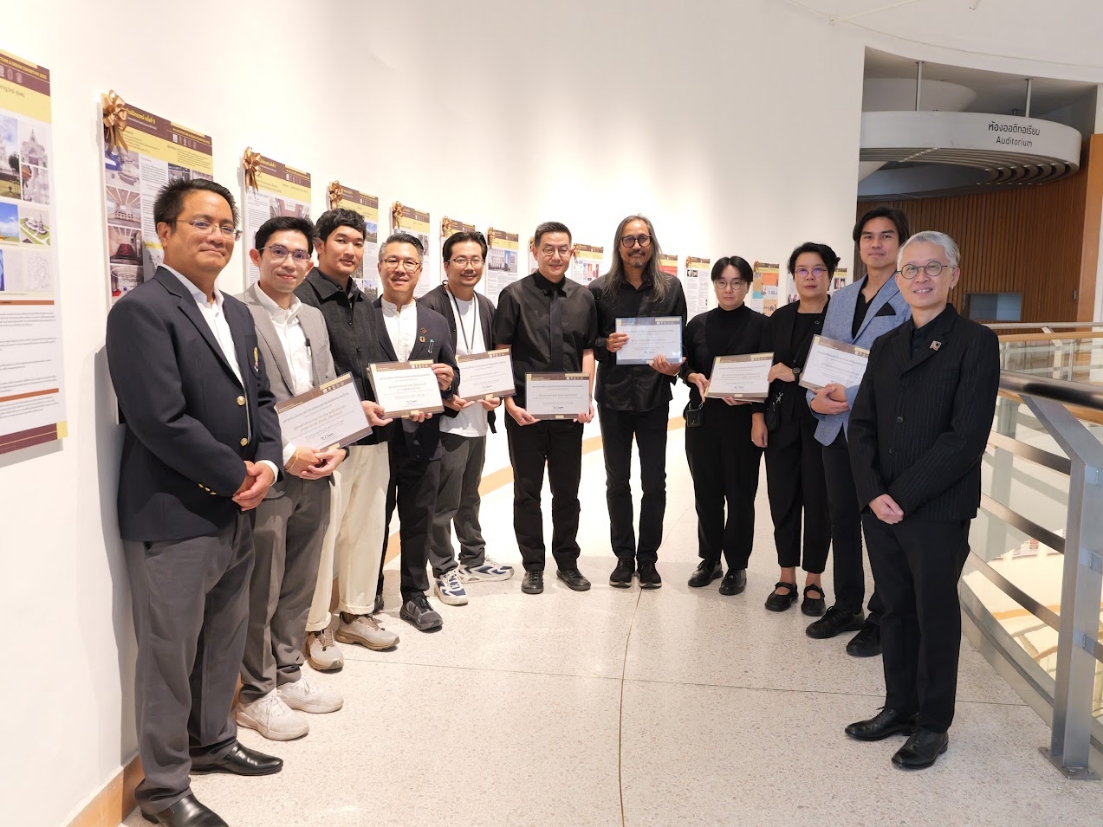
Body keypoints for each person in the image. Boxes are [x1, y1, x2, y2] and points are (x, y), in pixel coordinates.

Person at [106, 179, 283, 827]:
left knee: (224, 636)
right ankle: (162, 787)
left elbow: (259, 399)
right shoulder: (141, 311)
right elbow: (158, 418)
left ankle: (213, 740)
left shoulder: (235, 312)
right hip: (174, 510)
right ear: (165, 232)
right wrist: (237, 474)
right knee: (168, 653)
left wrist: (268, 463)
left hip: (238, 503)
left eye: (227, 226)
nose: (217, 235)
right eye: (201, 223)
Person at [845, 231, 999, 769]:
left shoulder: (976, 342)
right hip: (882, 508)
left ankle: (933, 723)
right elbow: (861, 425)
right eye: (910, 269)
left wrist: (900, 496)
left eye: (933, 267)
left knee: (933, 614)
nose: (921, 278)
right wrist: (872, 492)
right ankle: (899, 707)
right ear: (900, 279)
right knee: (894, 609)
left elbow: (965, 438)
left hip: (936, 508)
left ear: (954, 275)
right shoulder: (886, 344)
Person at [234, 216, 344, 741]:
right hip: (272, 471)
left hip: (319, 469)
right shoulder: (236, 313)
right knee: (264, 587)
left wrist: (339, 444)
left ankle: (288, 673)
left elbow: (327, 386)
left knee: (300, 581)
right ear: (256, 256)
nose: (290, 263)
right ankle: (255, 694)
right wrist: (288, 453)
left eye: (300, 255)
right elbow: (244, 403)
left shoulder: (313, 318)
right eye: (279, 252)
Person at [805, 207, 911, 657]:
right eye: (868, 236)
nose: (876, 244)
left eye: (886, 236)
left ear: (901, 243)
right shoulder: (843, 297)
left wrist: (850, 394)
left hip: (880, 430)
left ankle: (883, 615)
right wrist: (813, 398)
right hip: (834, 427)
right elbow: (824, 356)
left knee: (880, 525)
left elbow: (902, 366)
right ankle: (847, 605)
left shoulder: (909, 295)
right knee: (842, 519)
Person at [297, 209, 398, 668]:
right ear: (319, 245)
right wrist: (352, 409)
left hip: (374, 435)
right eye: (341, 240)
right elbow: (305, 379)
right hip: (328, 442)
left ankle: (355, 613)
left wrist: (408, 394)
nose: (351, 250)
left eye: (358, 242)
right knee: (324, 537)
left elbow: (377, 365)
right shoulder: (302, 299)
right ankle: (315, 625)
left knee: (367, 528)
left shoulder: (366, 300)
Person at [491, 221, 598, 595]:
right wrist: (508, 403)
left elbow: (588, 351)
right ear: (534, 250)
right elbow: (502, 351)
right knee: (527, 492)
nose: (556, 256)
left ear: (572, 252)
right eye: (548, 249)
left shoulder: (584, 298)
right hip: (526, 413)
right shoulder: (514, 295)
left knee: (567, 493)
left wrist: (586, 397)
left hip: (569, 415)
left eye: (563, 249)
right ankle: (533, 566)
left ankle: (567, 563)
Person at [590, 216, 687, 589]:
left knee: (654, 482)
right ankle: (623, 557)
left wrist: (674, 365)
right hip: (613, 397)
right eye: (629, 239)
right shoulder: (599, 290)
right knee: (617, 481)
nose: (636, 246)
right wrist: (605, 344)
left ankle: (648, 559)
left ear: (652, 243)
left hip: (653, 397)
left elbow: (679, 344)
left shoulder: (670, 288)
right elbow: (589, 342)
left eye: (642, 238)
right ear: (619, 245)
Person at [419, 230, 514, 606]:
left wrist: (495, 393)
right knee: (444, 501)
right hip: (446, 423)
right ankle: (444, 568)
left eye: (476, 259)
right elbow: (417, 366)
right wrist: (445, 398)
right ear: (446, 265)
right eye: (461, 259)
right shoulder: (429, 305)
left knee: (470, 495)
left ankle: (473, 558)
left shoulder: (486, 305)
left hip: (476, 419)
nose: (469, 266)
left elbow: (492, 360)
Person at [374, 232, 458, 630]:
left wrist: (449, 380)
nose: (400, 269)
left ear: (420, 270)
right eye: (392, 260)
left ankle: (414, 595)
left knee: (418, 520)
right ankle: (368, 590)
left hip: (424, 440)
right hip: (376, 441)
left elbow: (451, 373)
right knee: (373, 521)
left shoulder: (436, 321)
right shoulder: (363, 316)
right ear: (379, 267)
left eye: (409, 262)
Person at [682, 256, 767, 596]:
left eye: (736, 283)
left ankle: (737, 565)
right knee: (706, 494)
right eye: (722, 282)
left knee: (740, 495)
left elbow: (768, 374)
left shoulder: (761, 326)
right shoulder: (697, 325)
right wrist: (693, 376)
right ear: (714, 285)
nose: (728, 289)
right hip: (702, 421)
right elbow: (683, 365)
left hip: (742, 424)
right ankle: (710, 559)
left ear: (747, 286)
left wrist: (754, 406)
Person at [758, 243, 834, 614]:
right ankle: (785, 576)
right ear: (793, 276)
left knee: (819, 502)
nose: (810, 277)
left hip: (825, 424)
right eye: (802, 270)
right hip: (781, 423)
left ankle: (814, 580)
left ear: (830, 275)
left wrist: (797, 374)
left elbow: (847, 369)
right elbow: (765, 371)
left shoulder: (840, 319)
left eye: (818, 269)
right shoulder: (780, 318)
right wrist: (757, 417)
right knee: (783, 499)